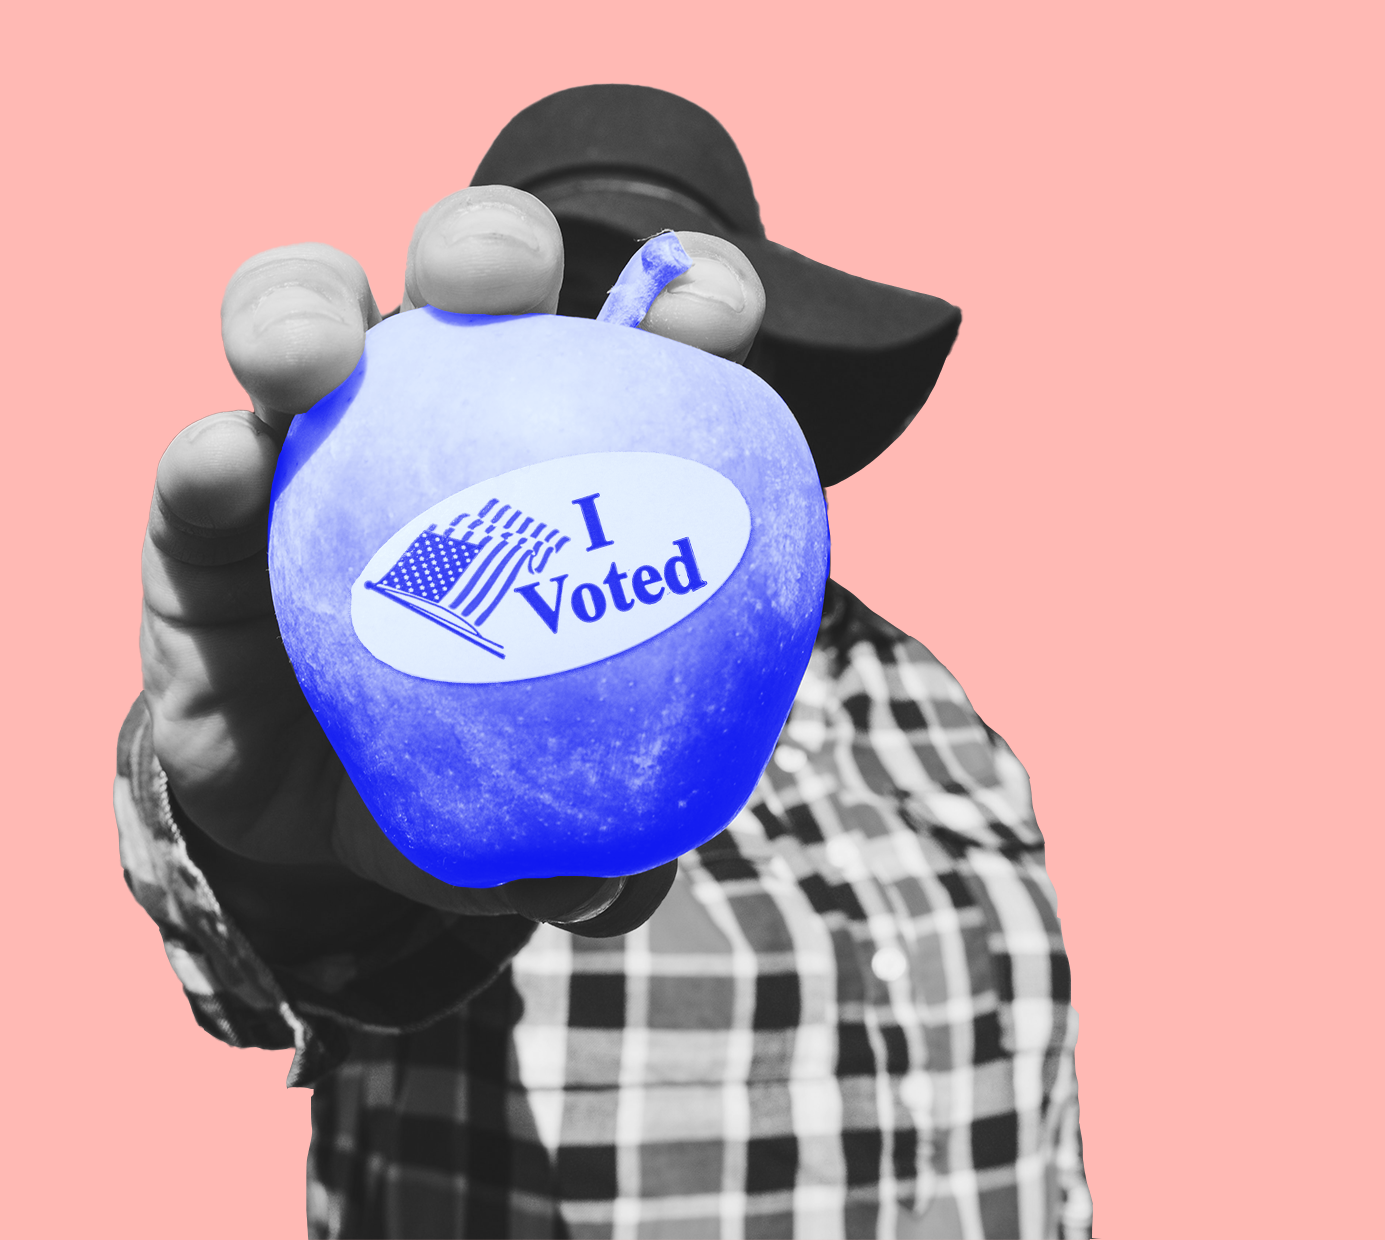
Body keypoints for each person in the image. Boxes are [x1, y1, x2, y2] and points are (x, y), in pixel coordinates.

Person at [116, 86, 1090, 1239]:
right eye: (558, 331)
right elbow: (333, 959)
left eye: (618, 334)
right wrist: (283, 833)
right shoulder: (428, 654)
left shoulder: (929, 707)